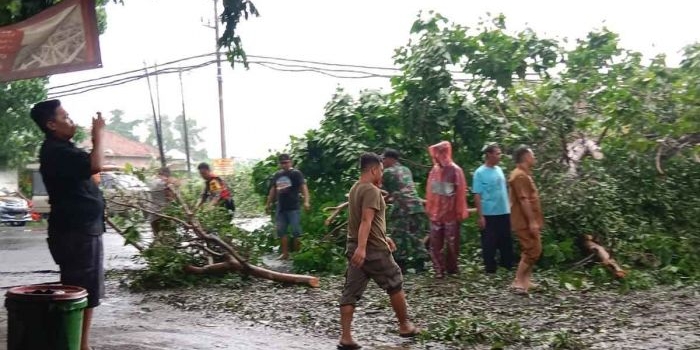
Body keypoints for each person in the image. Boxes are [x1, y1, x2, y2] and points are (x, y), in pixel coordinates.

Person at [31, 100, 105, 350]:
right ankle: (78, 345)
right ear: (51, 124)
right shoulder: (56, 151)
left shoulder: (63, 149)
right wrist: (99, 135)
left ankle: (80, 343)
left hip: (80, 228)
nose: (71, 120)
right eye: (65, 116)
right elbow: (95, 165)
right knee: (81, 289)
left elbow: (91, 173)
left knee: (84, 289)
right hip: (77, 230)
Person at [338, 152, 419, 350]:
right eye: (381, 170)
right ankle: (405, 325)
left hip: (356, 247)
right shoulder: (372, 191)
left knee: (351, 291)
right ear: (373, 169)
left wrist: (384, 237)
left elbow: (365, 222)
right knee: (394, 281)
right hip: (371, 250)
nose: (382, 174)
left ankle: (345, 337)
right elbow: (365, 221)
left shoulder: (355, 188)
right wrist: (364, 248)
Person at [425, 141, 469, 279]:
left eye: (439, 153)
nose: (436, 156)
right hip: (436, 214)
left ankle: (452, 268)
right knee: (435, 243)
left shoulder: (455, 170)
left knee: (452, 243)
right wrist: (431, 208)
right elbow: (431, 192)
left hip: (450, 213)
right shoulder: (435, 170)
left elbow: (460, 192)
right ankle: (439, 269)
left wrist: (459, 211)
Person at [381, 148, 428, 273]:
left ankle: (400, 266)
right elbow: (398, 189)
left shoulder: (388, 172)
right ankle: (421, 265)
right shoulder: (406, 170)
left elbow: (379, 189)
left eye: (384, 159)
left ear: (391, 159)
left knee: (398, 236)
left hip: (403, 208)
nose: (383, 161)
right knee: (416, 236)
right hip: (417, 206)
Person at [472, 144, 515, 274]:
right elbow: (477, 195)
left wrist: (510, 205)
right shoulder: (480, 173)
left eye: (499, 153)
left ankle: (507, 266)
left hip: (504, 211)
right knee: (489, 242)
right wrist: (480, 216)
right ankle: (490, 268)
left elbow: (505, 189)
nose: (499, 156)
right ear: (489, 155)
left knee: (506, 240)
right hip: (489, 213)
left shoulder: (499, 170)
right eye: (497, 153)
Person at [508, 146, 544, 294]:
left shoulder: (524, 174)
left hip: (530, 218)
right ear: (525, 157)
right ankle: (517, 282)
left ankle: (526, 280)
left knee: (533, 248)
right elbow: (524, 200)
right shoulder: (519, 176)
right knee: (532, 250)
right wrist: (531, 221)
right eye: (532, 155)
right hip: (523, 220)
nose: (534, 157)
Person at [265, 154, 310, 260]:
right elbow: (273, 190)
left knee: (296, 231)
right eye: (282, 163)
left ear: (291, 162)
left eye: (286, 162)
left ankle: (297, 255)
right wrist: (268, 204)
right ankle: (285, 254)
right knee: (281, 230)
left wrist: (306, 201)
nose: (284, 165)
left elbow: (303, 187)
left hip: (294, 206)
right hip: (281, 207)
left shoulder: (296, 173)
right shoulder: (277, 175)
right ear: (279, 164)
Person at [148, 167, 177, 238]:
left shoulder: (152, 182)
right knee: (169, 237)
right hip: (164, 214)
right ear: (166, 174)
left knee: (158, 238)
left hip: (152, 214)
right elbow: (173, 193)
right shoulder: (164, 182)